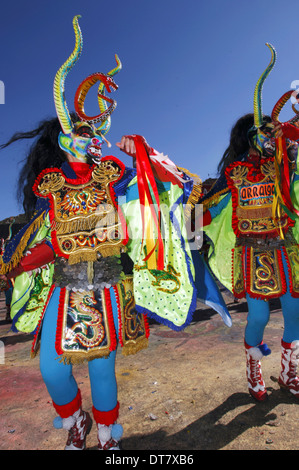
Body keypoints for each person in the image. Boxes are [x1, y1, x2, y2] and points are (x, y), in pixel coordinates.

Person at [0, 16, 231, 450]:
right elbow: (53, 243)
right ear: (65, 139)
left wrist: (142, 152)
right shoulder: (51, 192)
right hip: (65, 291)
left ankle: (108, 436)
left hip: (107, 288)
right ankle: (76, 422)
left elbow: (170, 190)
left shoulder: (117, 182)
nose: (91, 139)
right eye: (82, 133)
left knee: (103, 371)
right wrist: (14, 263)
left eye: (95, 133)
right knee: (52, 369)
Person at [199, 43, 299, 402]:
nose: (270, 139)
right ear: (252, 138)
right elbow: (209, 204)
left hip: (286, 247)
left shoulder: (287, 167)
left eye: (274, 133)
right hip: (253, 253)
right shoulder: (237, 172)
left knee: (295, 311)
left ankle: (289, 373)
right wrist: (191, 228)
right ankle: (254, 366)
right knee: (257, 316)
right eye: (264, 133)